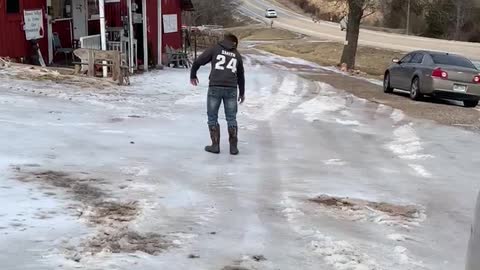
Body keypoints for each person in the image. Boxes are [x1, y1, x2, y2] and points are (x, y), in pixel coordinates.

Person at [190, 33, 245, 155]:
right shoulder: (237, 54)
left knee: (212, 116)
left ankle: (215, 145)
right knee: (231, 118)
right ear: (233, 43)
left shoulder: (215, 48)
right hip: (231, 88)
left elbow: (199, 61)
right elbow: (241, 75)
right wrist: (242, 92)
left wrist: (193, 74)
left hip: (215, 86)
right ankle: (233, 148)